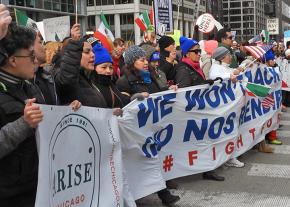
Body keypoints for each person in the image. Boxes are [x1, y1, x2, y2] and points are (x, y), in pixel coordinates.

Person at [116, 45, 180, 206]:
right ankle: (154, 193)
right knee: (142, 161)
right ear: (131, 62)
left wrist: (168, 89)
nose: (146, 62)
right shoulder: (124, 82)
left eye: (146, 59)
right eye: (141, 59)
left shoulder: (149, 77)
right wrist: (133, 98)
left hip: (151, 126)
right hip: (136, 130)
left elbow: (157, 93)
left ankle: (163, 192)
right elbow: (123, 104)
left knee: (153, 159)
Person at [0, 24, 45, 207]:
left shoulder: (29, 86)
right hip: (11, 197)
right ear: (12, 60)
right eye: (31, 56)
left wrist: (70, 109)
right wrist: (23, 124)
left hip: (36, 189)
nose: (36, 61)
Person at [174, 36, 225, 181]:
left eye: (199, 51)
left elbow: (198, 85)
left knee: (205, 141)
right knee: (199, 142)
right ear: (186, 54)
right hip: (192, 113)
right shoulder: (183, 69)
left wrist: (209, 83)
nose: (198, 53)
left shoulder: (195, 67)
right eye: (195, 51)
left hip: (200, 111)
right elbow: (185, 93)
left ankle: (207, 169)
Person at [54, 24, 108, 108]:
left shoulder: (86, 77)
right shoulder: (65, 77)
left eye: (92, 51)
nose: (93, 55)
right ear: (73, 54)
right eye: (87, 52)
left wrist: (109, 113)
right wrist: (74, 44)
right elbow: (67, 79)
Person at [210, 47, 245, 168]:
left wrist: (237, 70)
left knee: (231, 131)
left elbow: (230, 72)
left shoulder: (224, 67)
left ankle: (230, 155)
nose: (231, 57)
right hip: (224, 107)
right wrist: (231, 75)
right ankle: (228, 157)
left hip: (231, 107)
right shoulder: (215, 68)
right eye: (229, 55)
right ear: (222, 57)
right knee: (226, 132)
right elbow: (217, 77)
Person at [91, 43, 130, 108]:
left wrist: (133, 98)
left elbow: (121, 100)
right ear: (94, 68)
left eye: (111, 67)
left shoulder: (111, 85)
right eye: (104, 67)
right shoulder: (89, 86)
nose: (108, 71)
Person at [262, 50, 283, 146]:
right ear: (267, 61)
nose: (274, 61)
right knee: (267, 117)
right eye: (272, 60)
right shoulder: (262, 70)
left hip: (274, 97)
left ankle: (272, 136)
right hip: (266, 97)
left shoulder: (274, 69)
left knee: (274, 116)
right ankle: (268, 137)